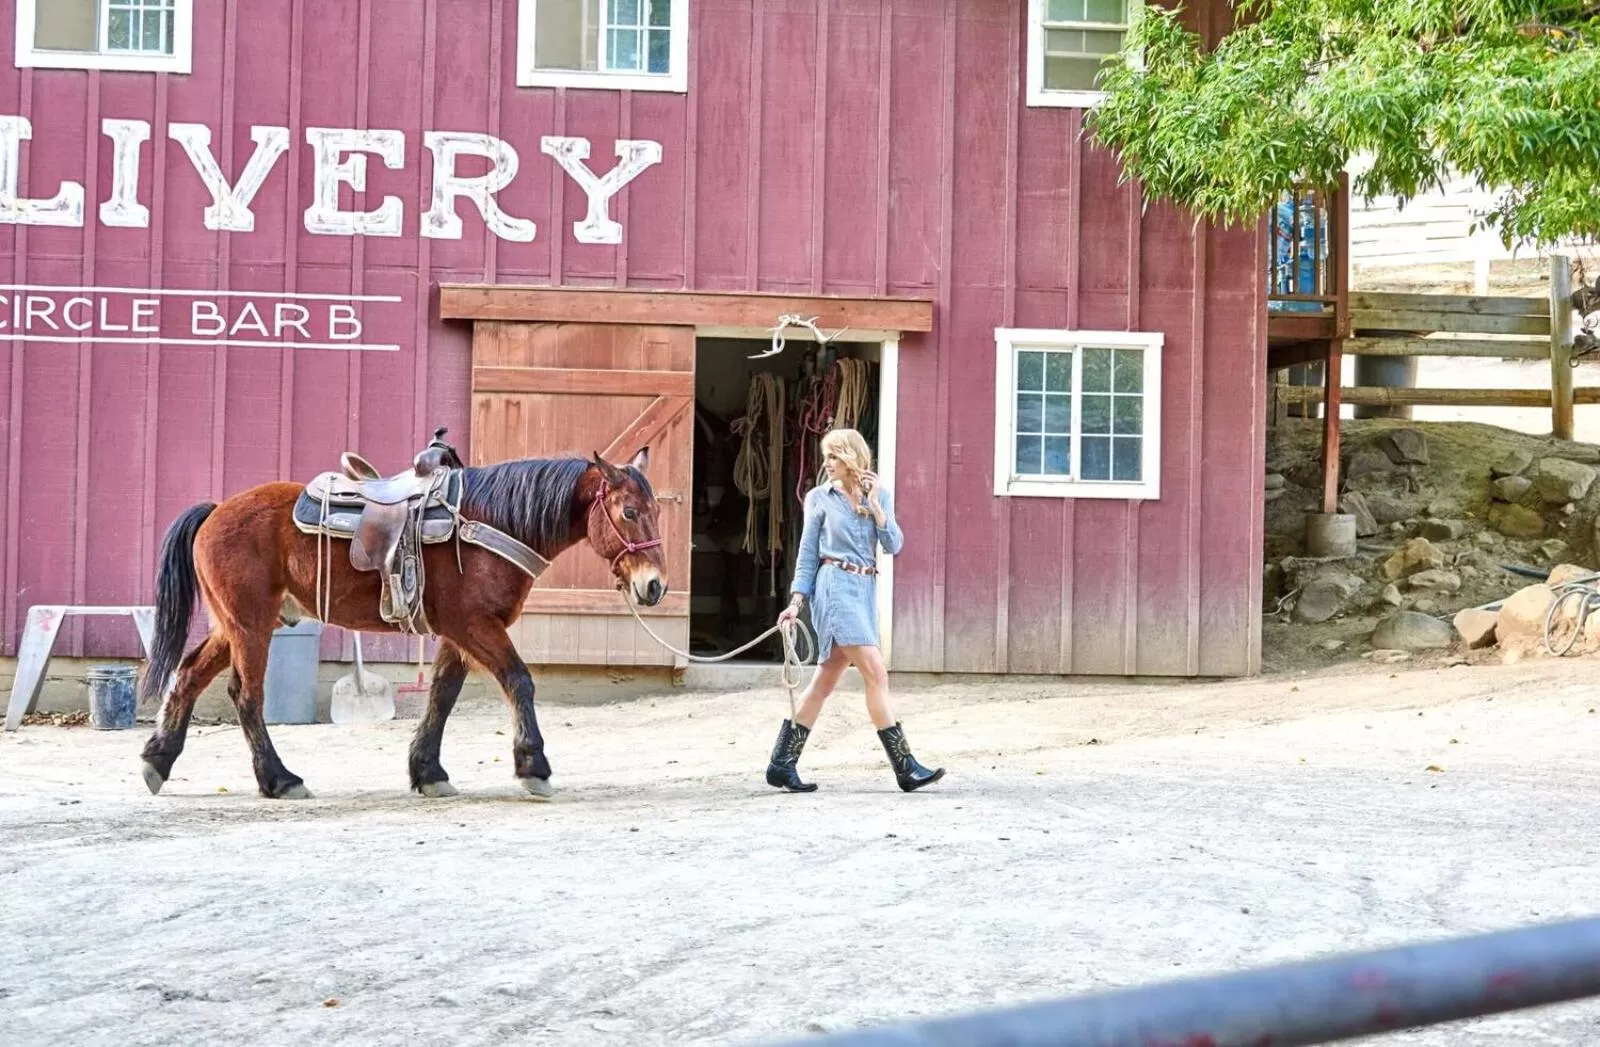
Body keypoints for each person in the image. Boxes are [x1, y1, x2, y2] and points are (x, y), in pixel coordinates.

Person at [765, 427, 945, 794]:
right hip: (834, 588)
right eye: (826, 456)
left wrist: (876, 506)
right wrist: (796, 602)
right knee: (876, 673)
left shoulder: (879, 494)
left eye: (833, 456)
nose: (826, 463)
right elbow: (807, 554)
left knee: (825, 680)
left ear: (851, 458)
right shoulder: (818, 498)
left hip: (863, 589)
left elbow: (894, 544)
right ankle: (905, 768)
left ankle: (782, 764)